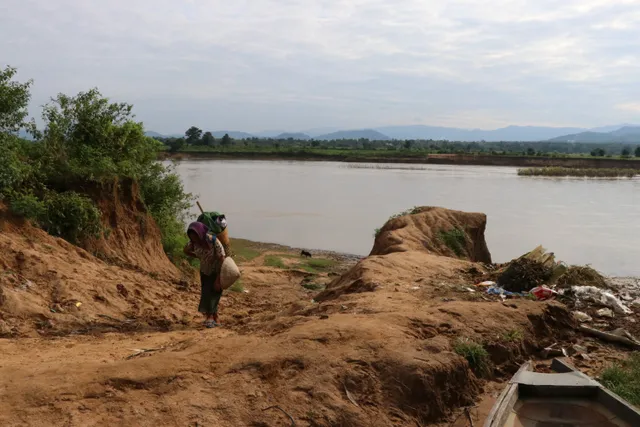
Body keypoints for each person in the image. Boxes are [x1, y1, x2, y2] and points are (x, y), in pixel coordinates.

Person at [183, 222, 226, 328]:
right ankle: (213, 317)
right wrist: (198, 257)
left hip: (217, 270)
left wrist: (218, 278)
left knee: (215, 294)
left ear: (200, 233)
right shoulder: (193, 243)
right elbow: (185, 250)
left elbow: (222, 257)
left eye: (195, 236)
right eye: (192, 236)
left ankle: (211, 317)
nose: (194, 238)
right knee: (206, 294)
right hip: (204, 272)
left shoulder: (213, 240)